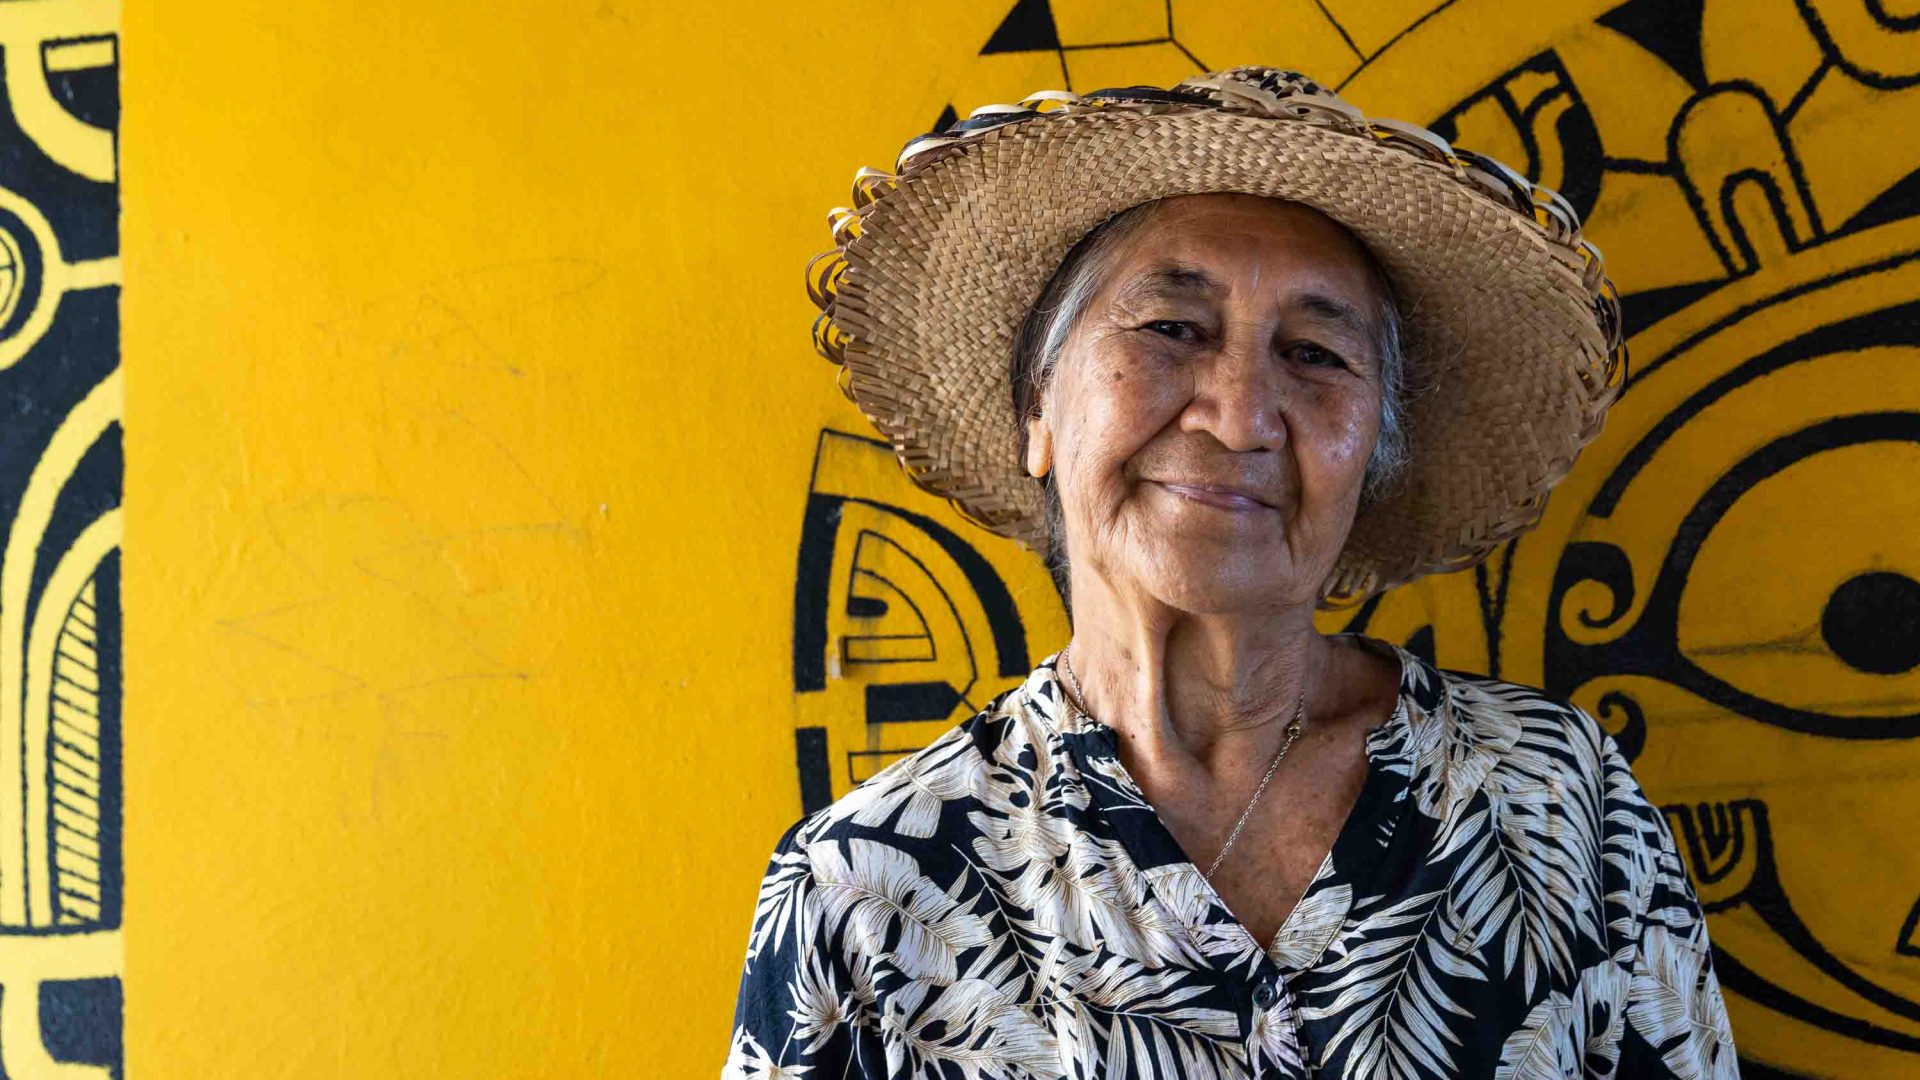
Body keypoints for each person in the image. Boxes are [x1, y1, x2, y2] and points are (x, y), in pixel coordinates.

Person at [725, 67, 1736, 1079]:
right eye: (1172, 330)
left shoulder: (1554, 801)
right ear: (1038, 410)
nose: (1242, 415)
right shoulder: (866, 889)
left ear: (1371, 457)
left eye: (1316, 354)